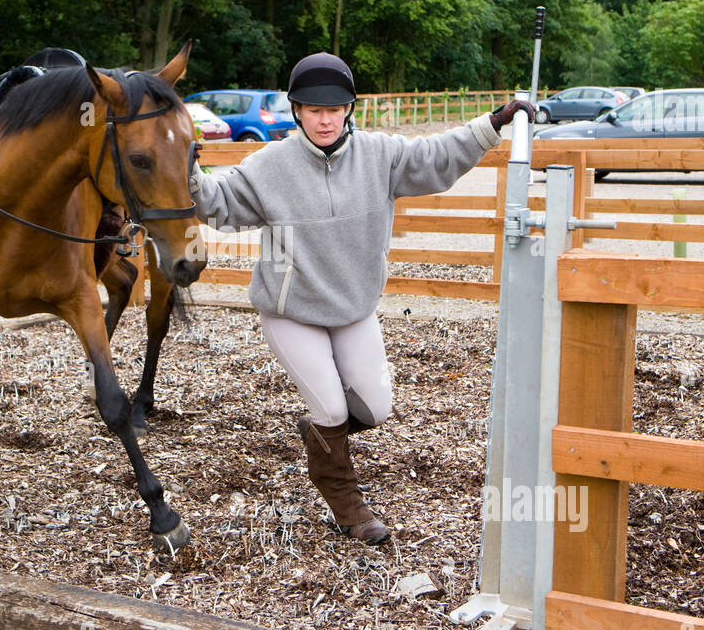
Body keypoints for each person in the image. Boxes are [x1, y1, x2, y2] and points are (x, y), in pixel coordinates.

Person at [188, 53, 533, 544]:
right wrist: (187, 172)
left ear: (350, 109)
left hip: (353, 306)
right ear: (296, 111)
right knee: (330, 409)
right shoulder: (268, 166)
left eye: (335, 109)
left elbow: (436, 157)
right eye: (313, 109)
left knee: (374, 408)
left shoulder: (380, 156)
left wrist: (493, 123)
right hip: (292, 310)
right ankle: (349, 508)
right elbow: (219, 204)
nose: (325, 119)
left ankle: (320, 442)